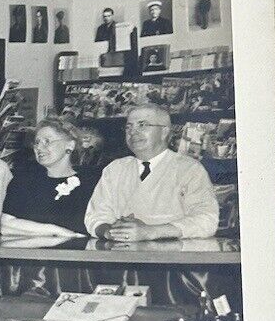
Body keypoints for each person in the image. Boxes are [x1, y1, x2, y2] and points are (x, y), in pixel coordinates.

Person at [85, 103, 219, 245]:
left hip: (171, 260)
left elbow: (206, 220)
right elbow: (96, 216)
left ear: (164, 131)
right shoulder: (115, 169)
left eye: (142, 125)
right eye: (129, 127)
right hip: (121, 256)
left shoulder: (189, 169)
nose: (133, 132)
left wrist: (151, 232)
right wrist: (110, 231)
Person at [0, 115, 99, 237]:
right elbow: (4, 224)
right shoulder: (23, 180)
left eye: (47, 141)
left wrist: (24, 227)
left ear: (70, 145)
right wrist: (55, 231)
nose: (39, 148)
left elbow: (85, 227)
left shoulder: (90, 183)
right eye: (37, 142)